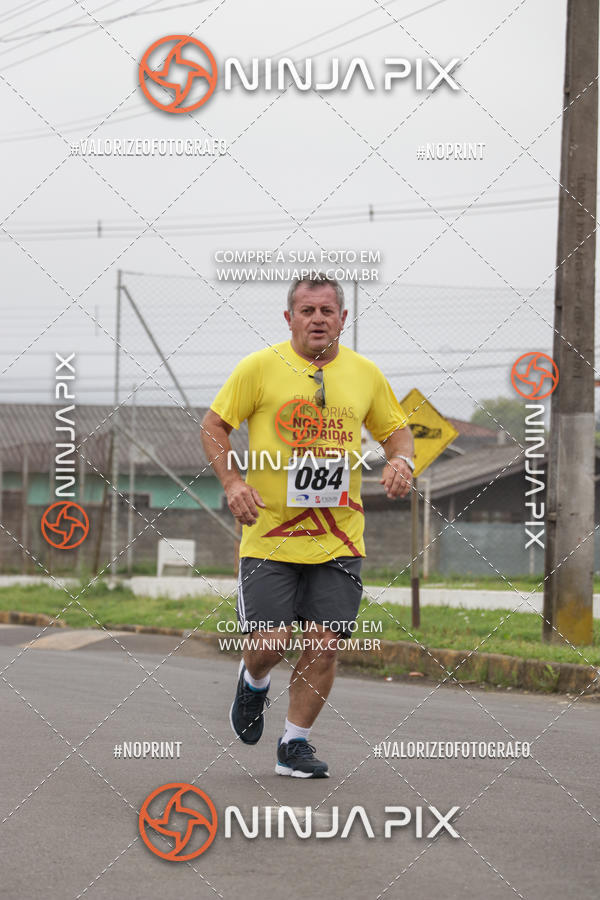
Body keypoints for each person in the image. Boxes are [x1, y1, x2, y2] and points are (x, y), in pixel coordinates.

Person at [201, 274, 414, 778]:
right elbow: (213, 426)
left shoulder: (365, 374)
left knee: (323, 644)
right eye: (307, 310)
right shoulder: (259, 368)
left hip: (338, 539)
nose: (317, 319)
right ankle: (253, 682)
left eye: (327, 311)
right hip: (269, 535)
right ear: (289, 318)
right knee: (270, 643)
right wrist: (232, 483)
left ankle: (293, 746)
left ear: (343, 318)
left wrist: (402, 462)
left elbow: (397, 432)